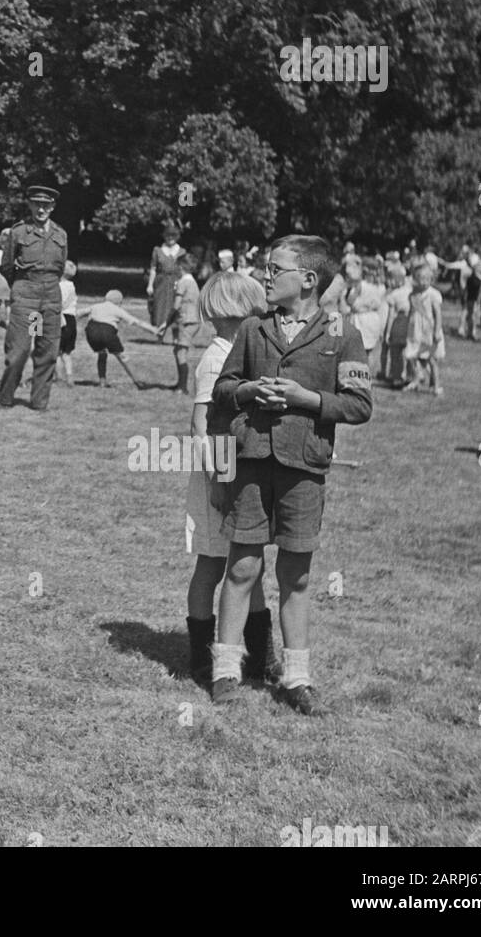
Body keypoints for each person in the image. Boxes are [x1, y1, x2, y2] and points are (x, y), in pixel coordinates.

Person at [210, 235, 373, 715]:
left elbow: (360, 405)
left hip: (304, 467)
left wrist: (306, 400)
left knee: (296, 575)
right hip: (252, 461)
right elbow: (223, 387)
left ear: (307, 279)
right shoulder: (252, 328)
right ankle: (225, 667)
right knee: (242, 566)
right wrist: (247, 392)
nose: (264, 274)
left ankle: (296, 677)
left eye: (274, 268)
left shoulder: (342, 333)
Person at [185, 269, 275, 690]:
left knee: (248, 565)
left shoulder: (238, 353)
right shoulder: (216, 359)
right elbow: (201, 428)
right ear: (238, 313)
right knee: (211, 565)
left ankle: (260, 655)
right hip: (217, 478)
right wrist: (217, 480)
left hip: (241, 475)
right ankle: (202, 656)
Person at [0, 176, 69, 410]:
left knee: (46, 351)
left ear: (53, 207)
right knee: (19, 351)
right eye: (37, 204)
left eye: (46, 205)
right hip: (26, 298)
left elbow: (60, 268)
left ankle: (39, 402)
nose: (41, 209)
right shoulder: (18, 232)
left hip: (49, 299)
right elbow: (6, 266)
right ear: (29, 205)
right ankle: (6, 398)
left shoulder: (61, 234)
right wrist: (22, 286)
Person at [82, 289, 160, 386]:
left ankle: (102, 381)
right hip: (107, 332)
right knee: (122, 357)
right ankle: (137, 381)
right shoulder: (117, 309)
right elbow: (136, 322)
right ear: (119, 302)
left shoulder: (95, 306)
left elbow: (79, 313)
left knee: (101, 353)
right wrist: (153, 330)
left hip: (91, 331)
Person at [160, 253, 202, 394]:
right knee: (178, 351)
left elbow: (176, 306)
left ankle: (183, 387)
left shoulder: (183, 282)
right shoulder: (192, 281)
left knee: (181, 353)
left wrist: (166, 322)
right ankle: (180, 384)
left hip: (187, 321)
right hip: (190, 320)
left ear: (181, 267)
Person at [403, 261, 445, 395]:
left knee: (431, 358)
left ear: (431, 280)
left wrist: (437, 331)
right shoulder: (413, 295)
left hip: (428, 329)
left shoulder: (433, 294)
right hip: (415, 329)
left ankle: (436, 385)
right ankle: (416, 379)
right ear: (415, 279)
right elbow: (411, 312)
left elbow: (437, 314)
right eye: (420, 279)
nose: (424, 282)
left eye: (427, 279)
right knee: (412, 355)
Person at [338, 256, 386, 366]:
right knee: (368, 351)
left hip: (361, 320)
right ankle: (368, 374)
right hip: (373, 318)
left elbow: (350, 301)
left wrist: (347, 293)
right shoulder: (381, 286)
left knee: (358, 350)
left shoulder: (361, 285)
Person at [145, 222, 185, 331]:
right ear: (164, 236)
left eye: (173, 235)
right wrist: (150, 285)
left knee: (175, 308)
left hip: (176, 282)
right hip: (161, 282)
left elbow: (184, 269)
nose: (170, 238)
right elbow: (153, 268)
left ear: (177, 236)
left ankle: (175, 337)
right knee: (159, 308)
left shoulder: (181, 252)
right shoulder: (157, 250)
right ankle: (159, 334)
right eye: (168, 235)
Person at [56, 259, 79, 384]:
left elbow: (60, 303)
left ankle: (59, 377)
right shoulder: (72, 285)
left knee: (56, 352)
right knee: (67, 353)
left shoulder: (60, 286)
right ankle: (70, 376)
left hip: (61, 319)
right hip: (71, 320)